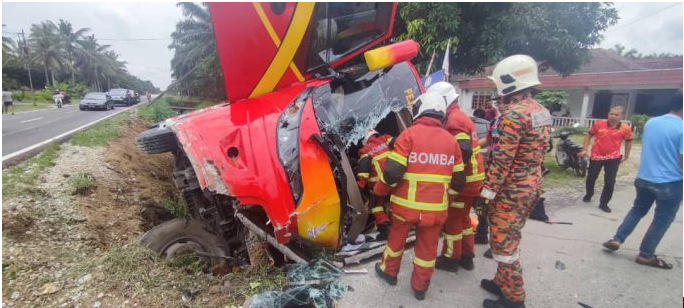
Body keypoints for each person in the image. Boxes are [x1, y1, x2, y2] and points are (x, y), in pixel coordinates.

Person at [372, 91, 465, 300]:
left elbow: (392, 172)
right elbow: (459, 180)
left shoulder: (409, 135)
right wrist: (446, 199)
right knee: (427, 249)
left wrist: (379, 192)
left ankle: (389, 273)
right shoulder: (451, 142)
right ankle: (420, 288)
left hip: (405, 208)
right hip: (435, 212)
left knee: (396, 241)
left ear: (420, 109)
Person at [479, 54, 551, 308]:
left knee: (502, 242)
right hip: (530, 186)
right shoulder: (541, 111)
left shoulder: (512, 116)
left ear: (509, 83)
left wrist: (487, 192)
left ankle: (514, 298)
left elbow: (502, 159)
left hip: (511, 191)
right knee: (511, 235)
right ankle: (501, 283)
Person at [602, 90, 682, 270]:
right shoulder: (682, 128)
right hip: (670, 182)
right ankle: (646, 255)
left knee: (637, 210)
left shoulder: (652, 123)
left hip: (644, 177)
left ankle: (617, 239)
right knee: (662, 220)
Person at [427, 81, 485, 273]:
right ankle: (467, 256)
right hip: (473, 180)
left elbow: (463, 150)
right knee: (464, 219)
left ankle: (450, 259)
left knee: (452, 220)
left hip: (465, 182)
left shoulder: (454, 120)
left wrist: (450, 175)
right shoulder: (460, 116)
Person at [580, 105, 633, 213]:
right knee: (591, 178)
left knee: (609, 182)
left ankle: (604, 203)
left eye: (616, 115)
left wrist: (627, 154)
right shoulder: (599, 124)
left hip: (613, 158)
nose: (613, 116)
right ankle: (589, 194)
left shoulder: (625, 128)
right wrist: (585, 149)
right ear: (608, 114)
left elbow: (629, 140)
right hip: (596, 156)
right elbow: (588, 135)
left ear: (621, 116)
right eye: (611, 114)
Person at [356, 129, 394, 240]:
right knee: (397, 202)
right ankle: (401, 225)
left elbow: (364, 170)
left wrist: (360, 185)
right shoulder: (386, 138)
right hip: (396, 181)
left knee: (376, 206)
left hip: (380, 186)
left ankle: (385, 229)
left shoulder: (365, 151)